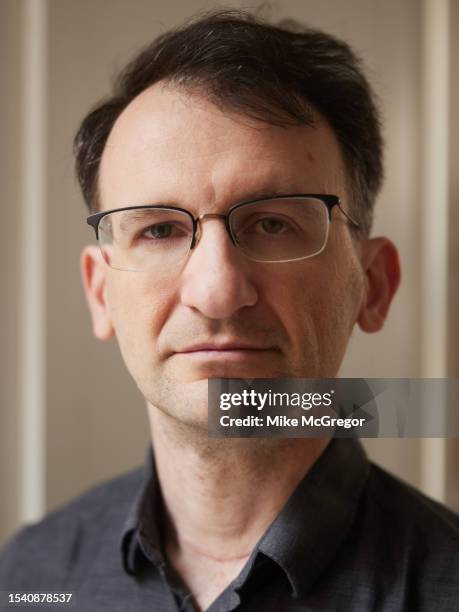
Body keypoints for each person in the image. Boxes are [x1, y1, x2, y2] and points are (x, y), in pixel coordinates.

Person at [1, 9, 458, 612]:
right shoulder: (30, 575)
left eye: (274, 223)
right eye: (160, 230)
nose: (216, 290)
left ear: (373, 286)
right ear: (99, 292)